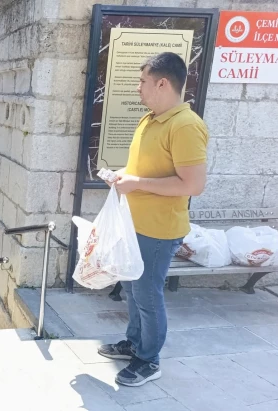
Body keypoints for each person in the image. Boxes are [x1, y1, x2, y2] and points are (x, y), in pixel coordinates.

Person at [97, 52, 209, 386]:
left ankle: (149, 360)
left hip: (158, 231)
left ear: (162, 83)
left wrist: (138, 183)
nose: (138, 87)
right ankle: (135, 343)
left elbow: (193, 185)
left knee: (147, 295)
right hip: (136, 224)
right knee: (132, 289)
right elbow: (147, 170)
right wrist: (123, 176)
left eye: (143, 81)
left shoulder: (185, 125)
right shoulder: (151, 119)